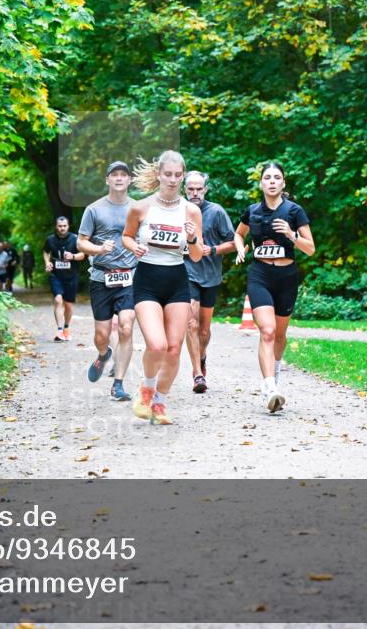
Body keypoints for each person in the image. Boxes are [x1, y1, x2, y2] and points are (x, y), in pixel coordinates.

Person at [121, 151, 204, 425]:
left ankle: (160, 403)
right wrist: (134, 247)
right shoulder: (141, 207)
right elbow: (126, 236)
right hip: (147, 280)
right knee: (156, 344)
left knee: (173, 349)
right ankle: (146, 390)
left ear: (183, 175)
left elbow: (196, 255)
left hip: (177, 281)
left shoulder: (191, 211)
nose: (172, 179)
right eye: (167, 174)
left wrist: (191, 238)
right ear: (158, 174)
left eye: (177, 175)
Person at [233, 162, 315, 413]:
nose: (271, 181)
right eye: (267, 177)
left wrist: (291, 235)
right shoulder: (253, 211)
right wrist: (240, 249)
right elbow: (239, 234)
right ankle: (270, 388)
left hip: (287, 276)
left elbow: (310, 249)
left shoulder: (294, 211)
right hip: (260, 274)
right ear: (261, 183)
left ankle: (275, 376)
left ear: (283, 183)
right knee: (267, 331)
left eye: (276, 177)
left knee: (279, 334)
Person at [78, 161, 138, 402]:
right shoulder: (94, 209)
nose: (119, 178)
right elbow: (81, 243)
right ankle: (104, 355)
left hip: (130, 275)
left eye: (124, 175)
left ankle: (119, 384)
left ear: (130, 180)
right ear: (107, 180)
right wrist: (99, 249)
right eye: (115, 175)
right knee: (102, 335)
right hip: (101, 276)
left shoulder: (138, 208)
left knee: (126, 325)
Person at [183, 171, 236, 393]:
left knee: (204, 330)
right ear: (184, 189)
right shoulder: (177, 211)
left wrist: (212, 249)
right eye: (190, 189)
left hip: (210, 276)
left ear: (205, 189)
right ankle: (197, 374)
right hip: (186, 272)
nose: (195, 193)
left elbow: (234, 242)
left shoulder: (216, 212)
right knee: (191, 323)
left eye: (199, 189)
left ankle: (202, 356)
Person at [43, 216, 84, 342]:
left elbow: (83, 255)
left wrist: (72, 256)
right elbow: (46, 252)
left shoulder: (75, 239)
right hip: (56, 275)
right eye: (60, 226)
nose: (62, 228)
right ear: (56, 226)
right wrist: (47, 263)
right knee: (58, 299)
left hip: (71, 276)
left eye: (64, 226)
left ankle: (66, 328)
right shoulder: (50, 239)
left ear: (68, 226)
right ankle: (59, 330)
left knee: (68, 305)